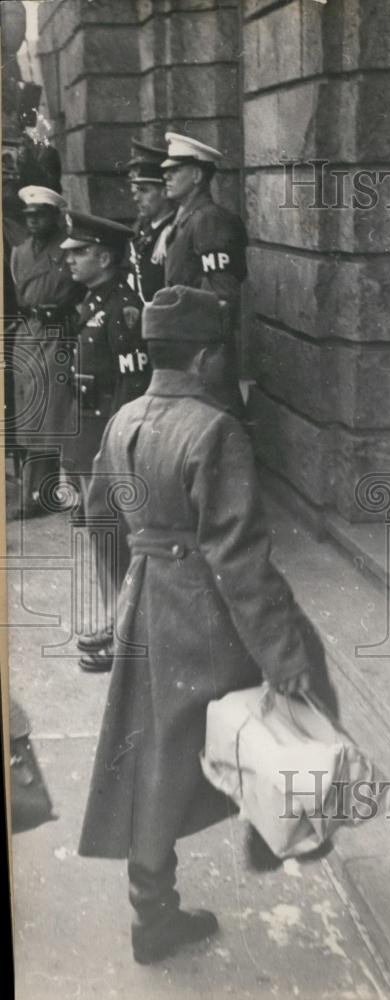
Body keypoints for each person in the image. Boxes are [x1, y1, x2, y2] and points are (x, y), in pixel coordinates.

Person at [77, 285, 311, 965]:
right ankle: (163, 910)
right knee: (206, 752)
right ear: (208, 356)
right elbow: (240, 560)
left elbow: (98, 515)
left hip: (145, 599)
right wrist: (285, 655)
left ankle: (154, 911)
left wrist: (127, 582)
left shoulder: (122, 419)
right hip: (199, 612)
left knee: (150, 753)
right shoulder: (216, 429)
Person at [60, 210, 151, 672]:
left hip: (109, 446)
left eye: (80, 252)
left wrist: (118, 452)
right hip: (89, 438)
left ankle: (128, 634)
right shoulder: (93, 300)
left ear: (107, 256)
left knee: (116, 538)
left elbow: (132, 390)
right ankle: (117, 620)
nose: (70, 260)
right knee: (101, 538)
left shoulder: (123, 309)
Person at [8, 185, 83, 518]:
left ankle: (52, 492)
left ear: (56, 216)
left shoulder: (68, 249)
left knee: (55, 412)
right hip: (28, 333)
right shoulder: (19, 252)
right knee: (28, 410)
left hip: (59, 333)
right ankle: (36, 492)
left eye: (40, 215)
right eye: (29, 216)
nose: (34, 222)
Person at [160, 131, 248, 414]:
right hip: (183, 350)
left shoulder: (208, 219)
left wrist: (200, 355)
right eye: (167, 171)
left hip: (201, 354)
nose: (166, 177)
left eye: (175, 170)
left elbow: (223, 295)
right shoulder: (186, 219)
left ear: (197, 175)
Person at [126, 140, 176, 303]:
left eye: (144, 190)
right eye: (135, 190)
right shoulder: (142, 226)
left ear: (164, 191)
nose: (135, 198)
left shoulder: (175, 229)